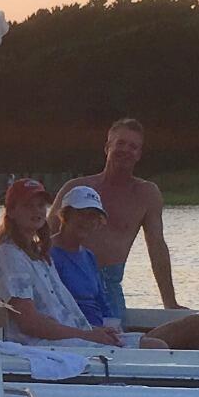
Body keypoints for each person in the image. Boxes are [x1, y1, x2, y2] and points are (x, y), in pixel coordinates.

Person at [50, 186, 199, 349]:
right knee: (157, 347)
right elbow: (53, 304)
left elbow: (102, 302)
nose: (88, 222)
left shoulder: (87, 256)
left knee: (176, 338)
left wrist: (111, 328)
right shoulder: (47, 254)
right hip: (77, 334)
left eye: (94, 217)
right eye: (82, 214)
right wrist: (89, 333)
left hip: (100, 333)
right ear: (65, 215)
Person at [72, 118, 180, 325]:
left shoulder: (146, 194)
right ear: (107, 147)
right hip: (69, 279)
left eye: (133, 146)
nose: (126, 150)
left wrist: (170, 302)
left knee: (114, 341)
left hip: (109, 285)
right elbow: (46, 240)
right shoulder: (77, 189)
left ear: (139, 154)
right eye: (120, 143)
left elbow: (156, 245)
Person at [0, 177, 109, 343]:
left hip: (70, 341)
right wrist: (87, 336)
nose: (36, 211)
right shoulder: (8, 257)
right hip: (44, 348)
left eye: (40, 205)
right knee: (150, 345)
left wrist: (95, 332)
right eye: (28, 206)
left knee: (148, 343)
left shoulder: (39, 254)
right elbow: (29, 323)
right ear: (11, 211)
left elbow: (57, 313)